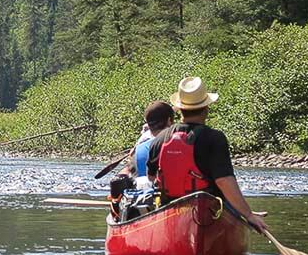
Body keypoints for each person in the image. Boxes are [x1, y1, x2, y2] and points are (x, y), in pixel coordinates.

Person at [146, 76, 269, 233]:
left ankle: (239, 209)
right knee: (223, 201)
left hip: (170, 209)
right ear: (206, 108)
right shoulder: (214, 138)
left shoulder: (159, 139)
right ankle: (240, 210)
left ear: (180, 109)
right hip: (208, 212)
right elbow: (224, 181)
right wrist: (248, 215)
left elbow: (151, 178)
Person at [109, 100, 174, 199]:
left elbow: (121, 178)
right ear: (169, 121)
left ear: (148, 125)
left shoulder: (139, 150)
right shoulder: (180, 144)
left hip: (146, 200)